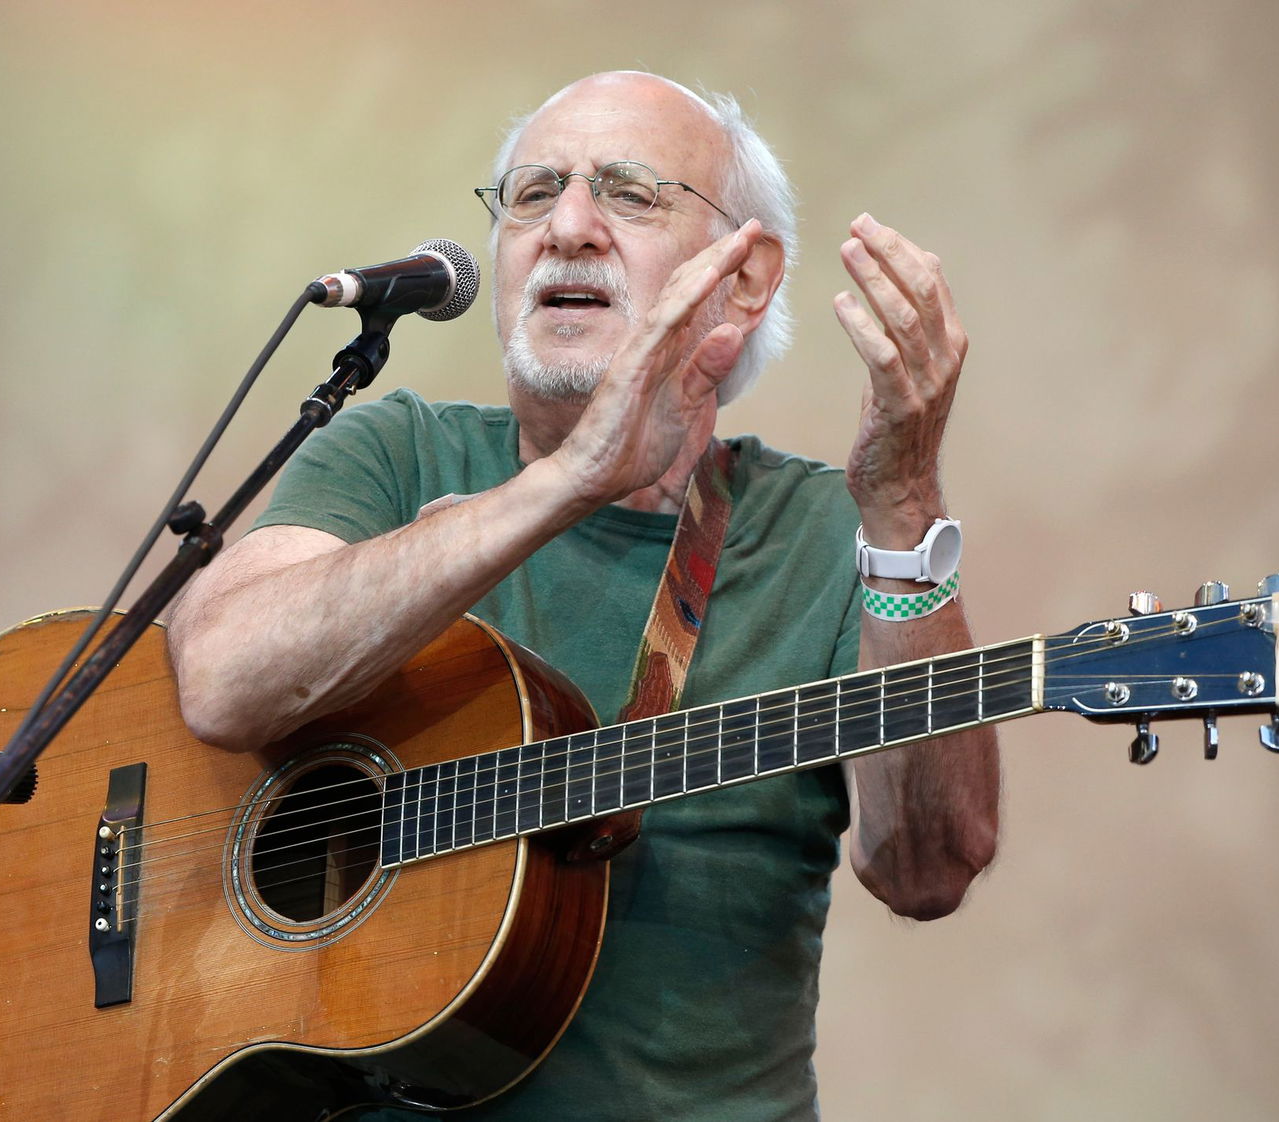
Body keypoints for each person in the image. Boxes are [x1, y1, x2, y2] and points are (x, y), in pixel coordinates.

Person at [167, 71, 1000, 1121]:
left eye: (630, 193)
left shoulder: (831, 537)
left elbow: (929, 866)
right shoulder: (397, 451)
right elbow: (220, 678)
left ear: (741, 280)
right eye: (531, 193)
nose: (566, 226)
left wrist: (904, 506)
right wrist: (567, 480)